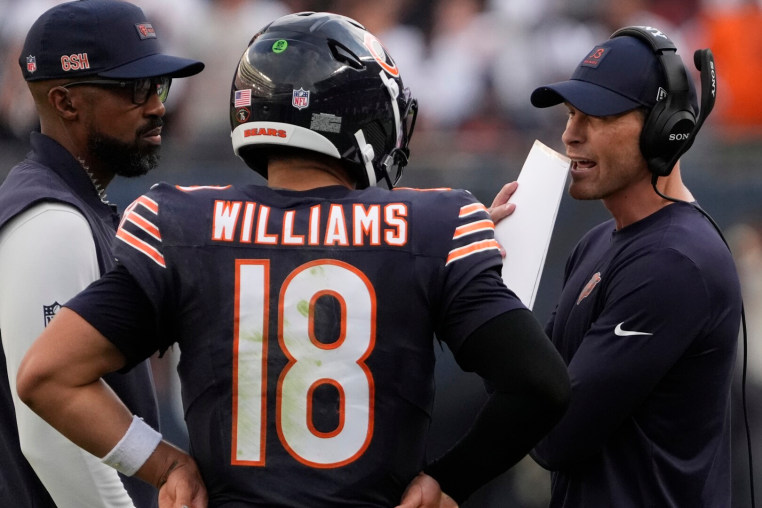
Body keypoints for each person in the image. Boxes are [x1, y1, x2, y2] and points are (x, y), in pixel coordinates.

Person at [15, 12, 570, 508]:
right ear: (369, 117)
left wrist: (165, 463)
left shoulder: (178, 223)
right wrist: (449, 481)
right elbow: (540, 385)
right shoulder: (439, 225)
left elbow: (48, 374)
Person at [490, 26, 741, 507]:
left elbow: (554, 435)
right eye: (569, 114)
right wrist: (494, 273)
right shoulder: (597, 243)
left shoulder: (674, 262)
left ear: (666, 127)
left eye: (596, 117)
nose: (569, 133)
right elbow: (532, 386)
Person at [0, 1, 204, 506]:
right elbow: (51, 438)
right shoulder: (52, 219)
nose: (157, 105)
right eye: (135, 89)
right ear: (67, 102)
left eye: (160, 86)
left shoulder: (67, 204)